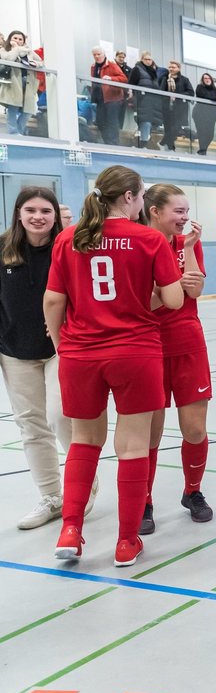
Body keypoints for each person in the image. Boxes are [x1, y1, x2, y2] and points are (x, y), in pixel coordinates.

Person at [44, 166, 184, 567]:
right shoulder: (150, 239)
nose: (142, 203)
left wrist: (62, 345)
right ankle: (126, 541)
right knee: (133, 447)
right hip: (135, 353)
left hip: (80, 355)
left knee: (85, 442)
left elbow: (54, 301)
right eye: (140, 196)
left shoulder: (69, 238)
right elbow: (173, 300)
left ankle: (70, 530)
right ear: (129, 197)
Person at [1, 187, 87, 530]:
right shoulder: (4, 248)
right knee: (31, 425)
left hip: (59, 348)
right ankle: (51, 496)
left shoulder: (68, 247)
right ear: (19, 213)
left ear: (55, 216)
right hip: (14, 351)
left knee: (60, 415)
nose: (38, 216)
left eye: (46, 211)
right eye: (31, 210)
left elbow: (82, 295)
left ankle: (82, 481)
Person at [140, 184, 214, 534]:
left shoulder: (188, 243)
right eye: (178, 212)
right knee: (150, 435)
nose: (185, 218)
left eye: (187, 212)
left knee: (195, 429)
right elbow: (147, 302)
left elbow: (194, 290)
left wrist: (187, 250)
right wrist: (166, 291)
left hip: (188, 341)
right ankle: (145, 500)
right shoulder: (140, 242)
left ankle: (192, 491)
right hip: (148, 345)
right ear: (154, 211)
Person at [1, 31, 43, 135]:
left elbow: (41, 62)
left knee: (29, 110)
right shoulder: (4, 49)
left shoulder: (29, 51)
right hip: (14, 82)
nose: (18, 41)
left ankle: (19, 130)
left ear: (24, 41)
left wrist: (35, 64)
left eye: (20, 39)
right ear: (10, 38)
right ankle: (13, 132)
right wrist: (16, 48)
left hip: (29, 82)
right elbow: (9, 58)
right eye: (15, 38)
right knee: (13, 107)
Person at [88, 47, 127, 145]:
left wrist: (111, 78)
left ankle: (113, 144)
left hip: (113, 98)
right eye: (94, 55)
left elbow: (124, 79)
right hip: (100, 98)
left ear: (104, 54)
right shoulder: (93, 67)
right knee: (100, 121)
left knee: (112, 122)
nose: (96, 56)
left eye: (99, 54)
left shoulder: (112, 65)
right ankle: (107, 142)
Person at [127, 51, 166, 149]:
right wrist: (132, 95)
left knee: (151, 124)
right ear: (142, 59)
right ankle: (141, 144)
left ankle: (143, 142)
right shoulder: (137, 69)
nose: (148, 61)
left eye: (150, 59)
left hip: (153, 103)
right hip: (142, 101)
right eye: (146, 59)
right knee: (145, 122)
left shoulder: (153, 72)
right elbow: (131, 84)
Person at [160, 60, 194, 151]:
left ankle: (162, 142)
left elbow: (191, 93)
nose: (171, 69)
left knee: (177, 127)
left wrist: (178, 96)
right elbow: (160, 92)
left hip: (180, 108)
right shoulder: (164, 78)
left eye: (173, 67)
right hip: (167, 107)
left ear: (178, 68)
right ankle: (171, 148)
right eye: (170, 67)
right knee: (168, 128)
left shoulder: (184, 80)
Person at [193, 74, 216, 156]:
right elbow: (203, 96)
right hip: (199, 113)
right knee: (202, 132)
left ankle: (202, 151)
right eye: (205, 78)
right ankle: (202, 151)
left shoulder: (215, 89)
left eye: (209, 78)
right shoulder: (200, 87)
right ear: (203, 80)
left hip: (210, 115)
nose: (207, 79)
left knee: (210, 135)